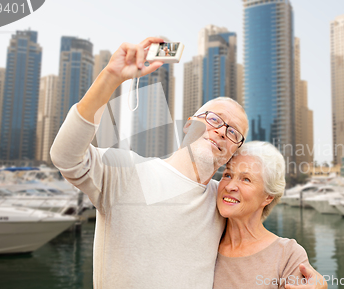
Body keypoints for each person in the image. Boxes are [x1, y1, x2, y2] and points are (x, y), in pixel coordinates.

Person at [50, 38, 325, 289]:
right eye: (214, 119)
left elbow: (259, 244)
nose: (221, 131)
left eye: (233, 132)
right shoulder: (126, 171)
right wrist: (110, 78)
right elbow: (65, 156)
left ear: (232, 152)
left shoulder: (221, 200)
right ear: (189, 125)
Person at [214, 141, 326, 289]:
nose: (229, 186)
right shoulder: (206, 241)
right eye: (228, 175)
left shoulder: (287, 255)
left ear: (268, 197)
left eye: (246, 179)